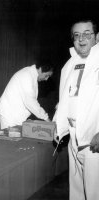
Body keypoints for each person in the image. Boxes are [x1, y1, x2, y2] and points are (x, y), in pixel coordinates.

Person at [54, 19, 99, 200]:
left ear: (96, 37)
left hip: (94, 140)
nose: (82, 39)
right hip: (74, 138)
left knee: (95, 191)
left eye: (87, 34)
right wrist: (58, 125)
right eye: (77, 35)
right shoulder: (69, 65)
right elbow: (64, 99)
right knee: (77, 191)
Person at [0, 64, 53, 129]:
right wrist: (46, 119)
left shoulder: (30, 74)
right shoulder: (26, 75)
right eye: (46, 75)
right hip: (9, 114)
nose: (46, 79)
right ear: (41, 69)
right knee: (10, 138)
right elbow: (30, 102)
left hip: (15, 114)